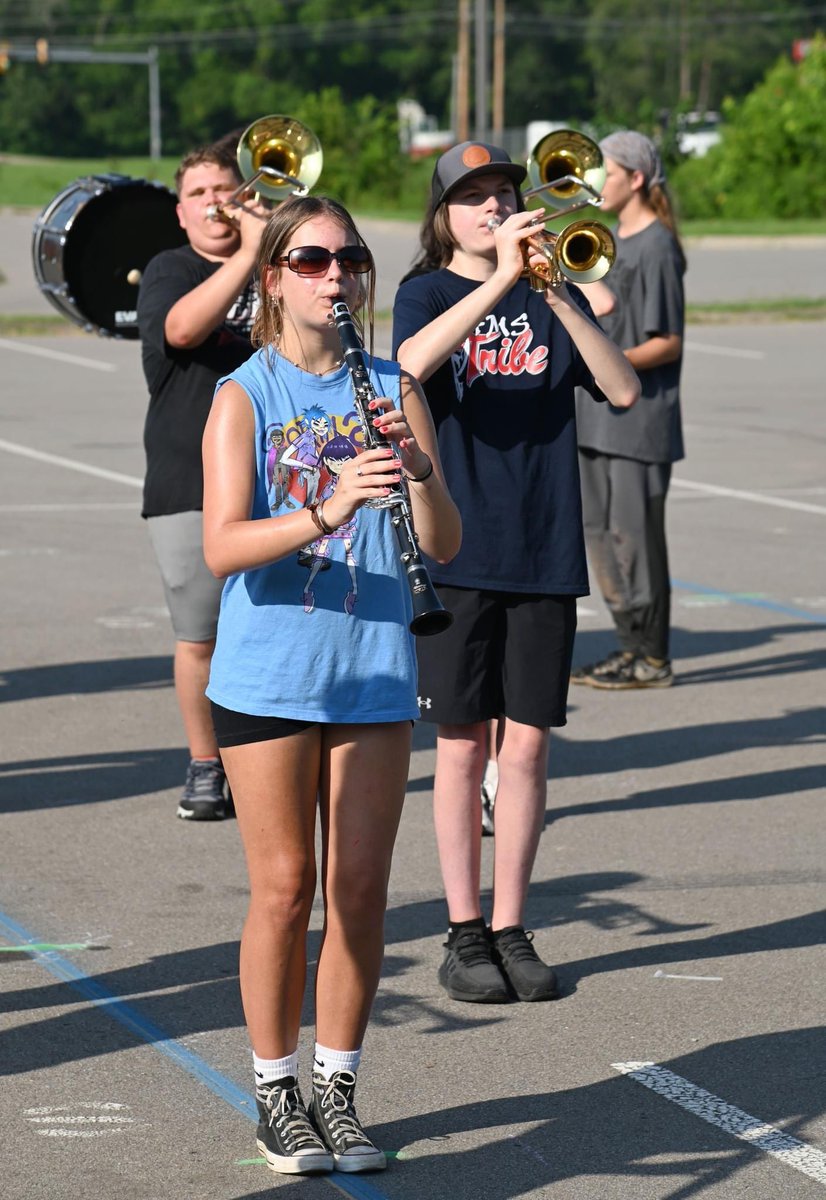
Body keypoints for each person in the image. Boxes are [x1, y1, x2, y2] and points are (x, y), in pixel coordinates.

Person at [201, 195, 460, 1175]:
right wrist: (327, 505)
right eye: (310, 260)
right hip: (269, 674)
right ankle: (276, 1093)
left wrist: (421, 470)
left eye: (349, 259)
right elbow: (224, 545)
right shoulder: (245, 394)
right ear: (273, 278)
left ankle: (338, 1095)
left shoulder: (391, 383)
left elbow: (443, 543)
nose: (334, 276)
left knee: (358, 890)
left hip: (374, 671)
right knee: (284, 889)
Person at [392, 141, 639, 1004]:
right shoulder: (426, 292)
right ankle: (462, 931)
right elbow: (407, 369)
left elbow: (622, 389)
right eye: (473, 198)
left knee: (527, 746)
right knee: (462, 746)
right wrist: (499, 281)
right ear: (443, 216)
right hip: (459, 548)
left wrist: (559, 298)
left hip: (543, 546)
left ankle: (510, 925)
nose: (492, 208)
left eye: (502, 193)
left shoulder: (549, 294)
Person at [137, 139, 267, 820]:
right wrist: (248, 255)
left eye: (227, 189)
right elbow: (183, 330)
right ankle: (205, 764)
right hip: (187, 476)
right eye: (200, 194)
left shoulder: (280, 266)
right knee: (201, 636)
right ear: (182, 212)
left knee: (274, 627)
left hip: (277, 474)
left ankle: (265, 760)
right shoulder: (170, 268)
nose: (216, 203)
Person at [571, 130, 686, 690]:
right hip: (594, 417)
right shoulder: (608, 237)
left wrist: (608, 364)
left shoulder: (657, 245)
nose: (596, 186)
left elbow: (668, 340)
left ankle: (653, 656)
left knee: (635, 539)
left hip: (639, 420)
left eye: (605, 174)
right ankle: (627, 644)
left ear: (636, 179)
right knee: (599, 534)